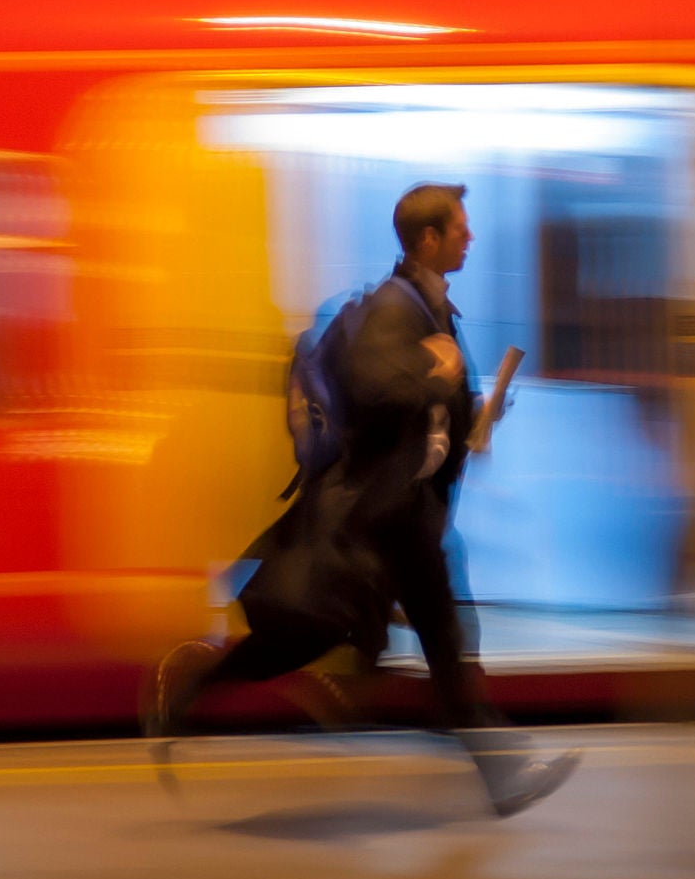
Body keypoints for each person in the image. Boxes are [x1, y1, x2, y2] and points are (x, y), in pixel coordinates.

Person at [143, 182, 580, 818]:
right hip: (373, 523)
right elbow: (375, 386)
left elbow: (429, 411)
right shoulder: (393, 308)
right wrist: (437, 374)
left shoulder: (432, 307)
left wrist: (475, 413)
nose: (470, 236)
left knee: (442, 640)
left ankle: (502, 774)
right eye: (460, 227)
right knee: (305, 639)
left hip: (405, 519)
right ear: (428, 239)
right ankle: (190, 687)